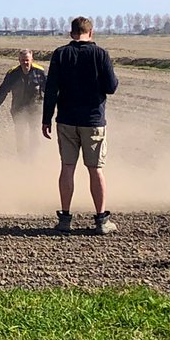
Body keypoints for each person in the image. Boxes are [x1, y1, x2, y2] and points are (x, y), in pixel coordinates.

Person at [41, 16, 119, 234]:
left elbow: (51, 89)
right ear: (91, 33)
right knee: (95, 169)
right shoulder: (100, 54)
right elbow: (111, 87)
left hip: (66, 120)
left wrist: (46, 118)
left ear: (71, 33)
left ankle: (65, 220)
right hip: (93, 121)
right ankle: (101, 221)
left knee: (67, 167)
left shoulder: (60, 54)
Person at [0, 49, 46, 159]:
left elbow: (49, 91)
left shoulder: (39, 72)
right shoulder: (13, 73)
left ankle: (34, 157)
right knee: (20, 132)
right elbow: (3, 90)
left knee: (35, 131)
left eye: (27, 60)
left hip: (35, 108)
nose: (25, 63)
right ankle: (22, 157)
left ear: (32, 59)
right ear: (19, 60)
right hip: (18, 109)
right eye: (22, 60)